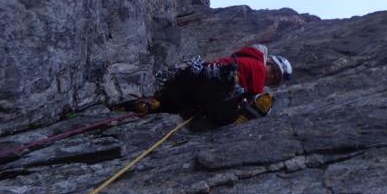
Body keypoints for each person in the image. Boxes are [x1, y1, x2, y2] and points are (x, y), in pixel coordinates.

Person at [118, 44, 293, 125]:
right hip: (214, 87)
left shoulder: (243, 60)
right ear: (268, 62)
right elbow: (255, 90)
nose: (270, 76)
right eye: (273, 71)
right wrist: (258, 104)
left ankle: (133, 107)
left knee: (167, 105)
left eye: (274, 79)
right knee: (229, 113)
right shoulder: (257, 66)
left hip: (190, 83)